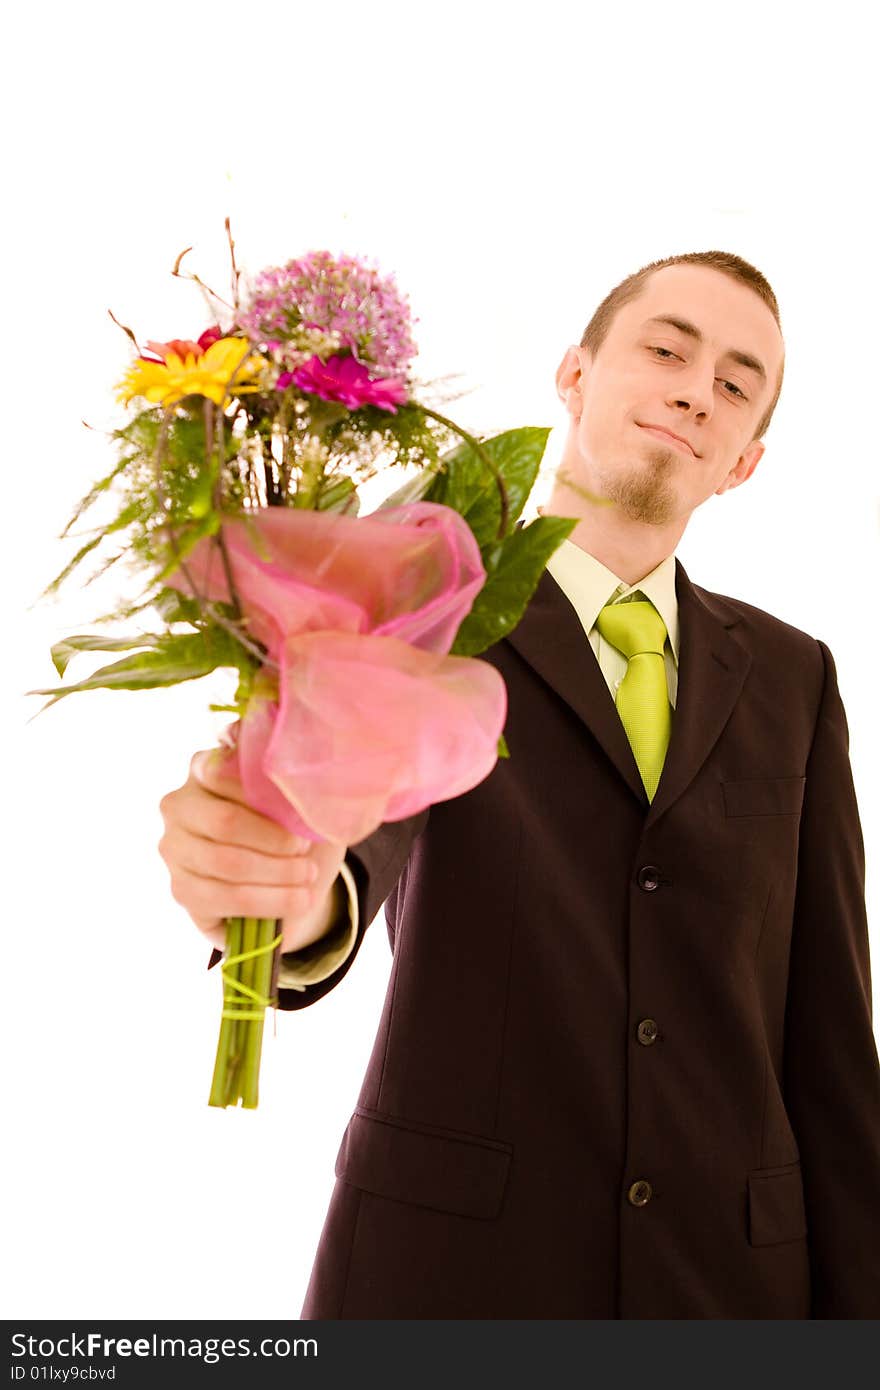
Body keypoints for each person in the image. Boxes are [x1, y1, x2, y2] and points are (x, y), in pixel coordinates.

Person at [158, 250, 880, 1319]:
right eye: (666, 349)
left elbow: (829, 1041)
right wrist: (289, 896)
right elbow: (355, 846)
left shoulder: (793, 675)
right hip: (453, 1280)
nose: (695, 389)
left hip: (730, 1292)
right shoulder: (421, 601)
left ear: (744, 461)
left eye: (735, 384)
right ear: (574, 375)